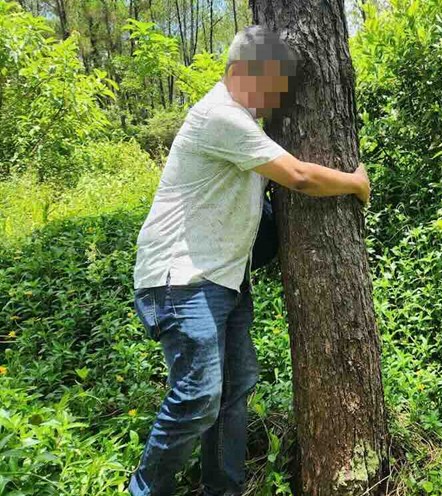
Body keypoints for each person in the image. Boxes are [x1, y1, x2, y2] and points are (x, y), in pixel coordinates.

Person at [128, 25, 370, 496]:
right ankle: (144, 489)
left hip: (224, 280)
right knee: (200, 396)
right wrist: (355, 182)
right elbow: (299, 176)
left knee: (233, 391)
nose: (275, 100)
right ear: (247, 71)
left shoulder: (242, 125)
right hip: (181, 280)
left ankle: (224, 489)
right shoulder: (221, 115)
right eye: (273, 86)